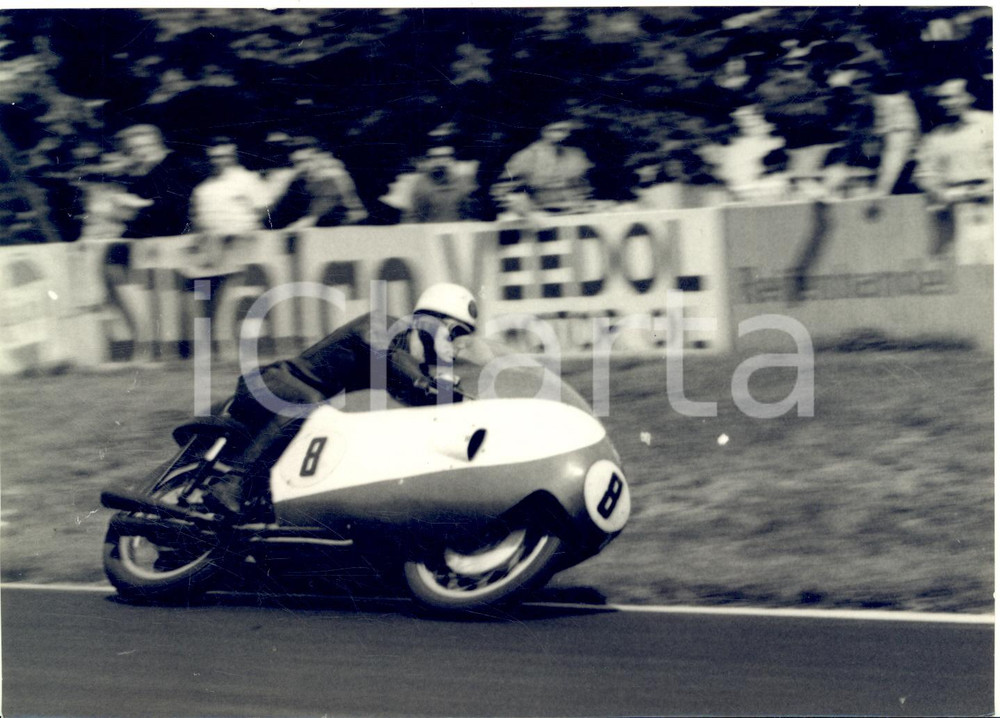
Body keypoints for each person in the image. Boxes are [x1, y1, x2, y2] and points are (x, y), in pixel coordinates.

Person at [203, 282, 479, 520]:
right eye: (455, 333)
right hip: (273, 382)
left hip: (296, 403)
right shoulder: (383, 326)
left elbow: (419, 405)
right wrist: (424, 383)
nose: (459, 344)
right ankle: (232, 481)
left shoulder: (410, 362)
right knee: (312, 403)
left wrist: (457, 403)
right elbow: (387, 355)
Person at [914, 77, 993, 263]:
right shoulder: (936, 137)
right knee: (964, 265)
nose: (946, 103)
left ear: (968, 97)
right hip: (955, 211)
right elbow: (924, 174)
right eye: (942, 99)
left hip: (991, 204)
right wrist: (940, 192)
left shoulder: (990, 124)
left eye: (952, 97)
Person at [116, 124, 205, 239]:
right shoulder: (143, 175)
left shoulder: (179, 166)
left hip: (180, 238)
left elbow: (180, 205)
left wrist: (141, 204)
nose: (139, 153)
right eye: (132, 149)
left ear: (158, 143)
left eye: (143, 146)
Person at [491, 120, 594, 217]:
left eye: (567, 130)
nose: (565, 134)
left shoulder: (575, 155)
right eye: (558, 130)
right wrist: (526, 211)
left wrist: (585, 204)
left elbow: (584, 188)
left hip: (575, 214)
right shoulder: (527, 156)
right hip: (537, 217)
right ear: (544, 131)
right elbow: (501, 191)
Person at [269, 138, 368, 229]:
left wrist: (288, 231)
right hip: (324, 227)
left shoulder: (329, 178)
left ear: (318, 159)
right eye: (297, 163)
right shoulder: (300, 178)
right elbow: (279, 208)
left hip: (349, 228)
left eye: (307, 161)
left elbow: (315, 216)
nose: (303, 167)